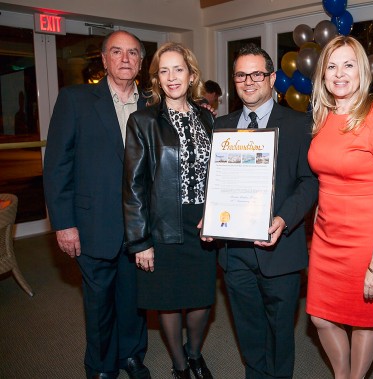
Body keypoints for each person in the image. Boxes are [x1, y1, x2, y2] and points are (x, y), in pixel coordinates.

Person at [43, 30, 151, 379]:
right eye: (116, 52)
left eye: (132, 53)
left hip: (140, 227)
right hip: (93, 224)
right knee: (99, 301)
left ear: (140, 61)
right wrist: (63, 223)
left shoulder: (152, 104)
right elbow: (57, 166)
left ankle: (133, 356)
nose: (124, 59)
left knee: (134, 299)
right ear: (103, 59)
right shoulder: (75, 100)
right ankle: (102, 366)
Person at [212, 43, 318, 379]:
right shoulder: (221, 126)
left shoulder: (301, 124)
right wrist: (210, 213)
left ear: (272, 78)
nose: (248, 81)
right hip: (235, 253)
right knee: (248, 329)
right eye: (241, 74)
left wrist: (284, 218)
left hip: (281, 249)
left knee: (281, 332)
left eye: (257, 73)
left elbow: (309, 182)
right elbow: (213, 182)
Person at [306, 35, 373, 379]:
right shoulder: (323, 117)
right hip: (326, 235)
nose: (339, 74)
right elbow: (325, 175)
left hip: (367, 239)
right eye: (331, 66)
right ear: (323, 75)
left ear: (362, 71)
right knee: (319, 315)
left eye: (348, 65)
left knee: (364, 321)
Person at [122, 42, 216, 379]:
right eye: (164, 71)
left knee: (203, 299)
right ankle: (179, 366)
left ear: (191, 75)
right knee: (169, 300)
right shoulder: (143, 121)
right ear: (157, 79)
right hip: (163, 225)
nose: (172, 77)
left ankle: (194, 354)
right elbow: (133, 186)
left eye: (178, 69)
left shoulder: (207, 117)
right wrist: (140, 241)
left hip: (203, 225)